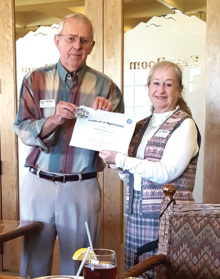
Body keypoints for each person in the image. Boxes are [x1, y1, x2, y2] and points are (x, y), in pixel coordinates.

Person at [14, 13, 124, 277]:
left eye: (84, 40)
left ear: (92, 46)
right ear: (57, 41)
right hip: (38, 185)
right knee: (33, 264)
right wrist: (52, 120)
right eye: (71, 39)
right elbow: (22, 129)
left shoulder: (107, 88)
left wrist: (106, 119)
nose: (77, 46)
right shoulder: (34, 81)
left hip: (81, 187)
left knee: (79, 266)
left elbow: (115, 147)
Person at [99, 61, 201, 278]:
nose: (160, 90)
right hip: (137, 214)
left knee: (161, 273)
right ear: (148, 88)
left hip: (168, 217)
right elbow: (134, 177)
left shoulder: (185, 125)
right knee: (136, 273)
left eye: (168, 84)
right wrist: (117, 164)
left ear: (180, 89)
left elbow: (166, 172)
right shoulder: (140, 125)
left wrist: (122, 159)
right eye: (156, 83)